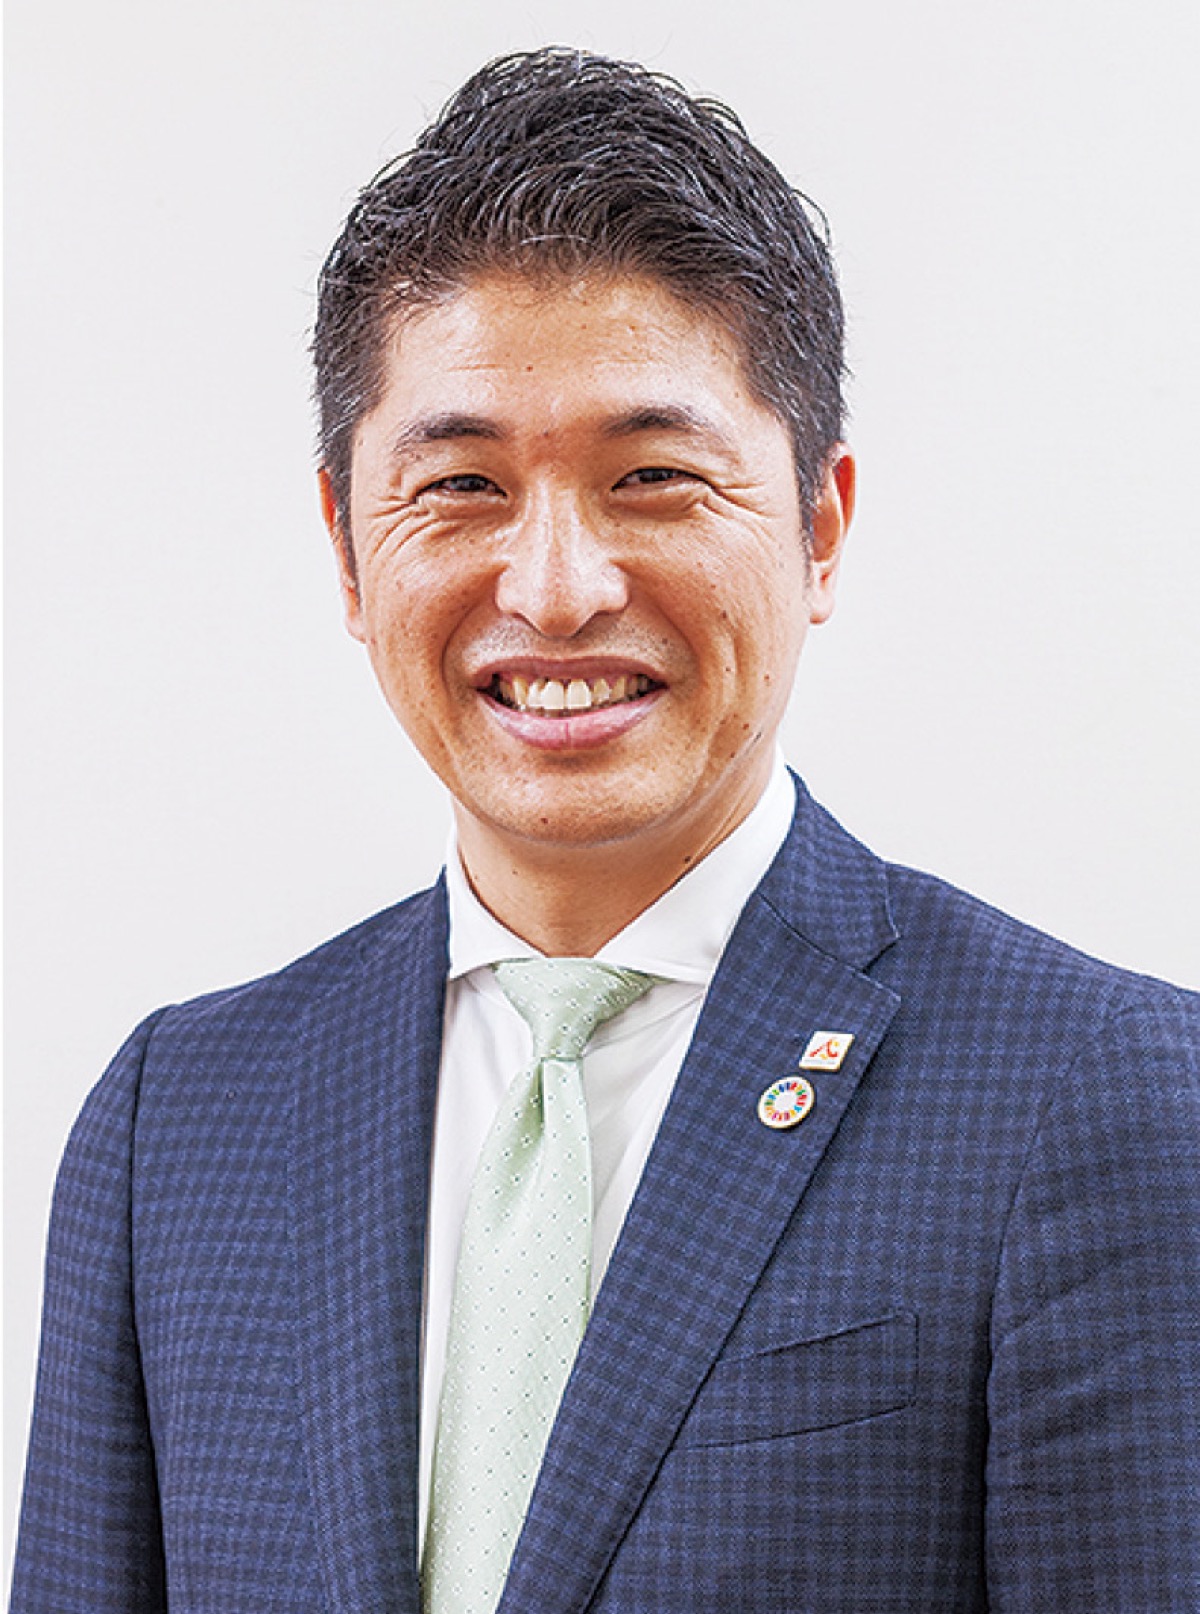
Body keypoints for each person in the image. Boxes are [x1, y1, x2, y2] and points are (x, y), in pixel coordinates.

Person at [11, 46, 1200, 1614]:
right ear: (348, 549)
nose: (557, 587)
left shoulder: (1102, 1094)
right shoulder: (180, 1122)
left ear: (820, 524)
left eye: (652, 475)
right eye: (461, 484)